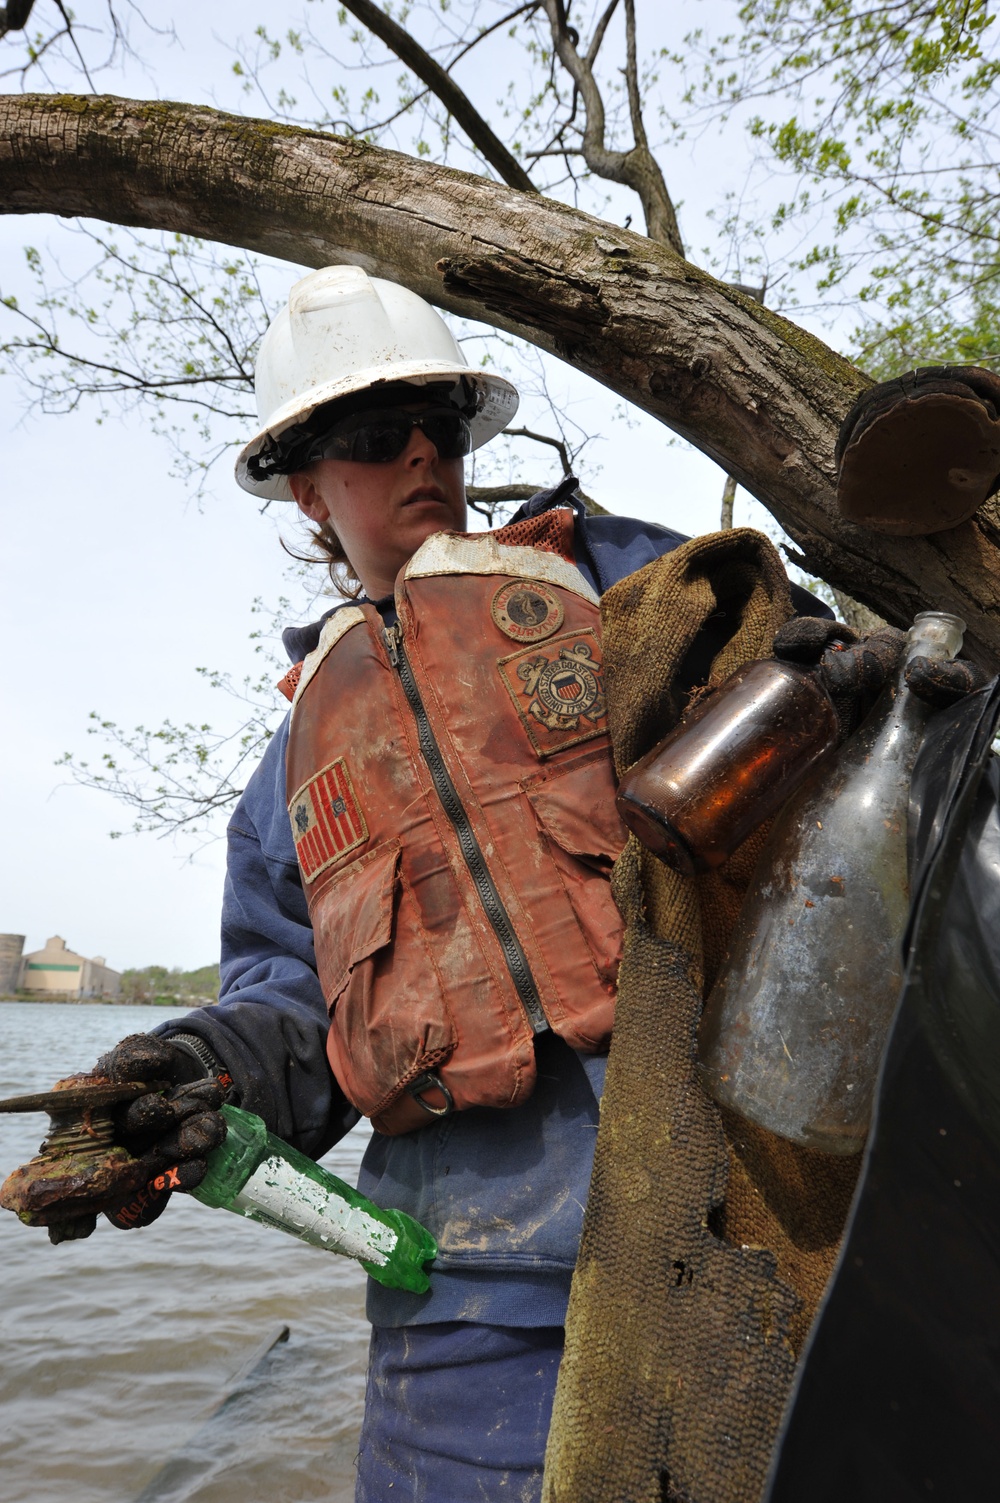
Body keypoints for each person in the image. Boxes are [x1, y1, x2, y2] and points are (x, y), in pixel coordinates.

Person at [36, 268, 992, 1500]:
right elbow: (294, 1009)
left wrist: (819, 670)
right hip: (453, 1302)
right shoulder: (290, 779)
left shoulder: (612, 586)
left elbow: (837, 718)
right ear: (305, 488)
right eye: (380, 436)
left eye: (441, 421)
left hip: (717, 1218)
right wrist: (186, 1074)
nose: (425, 454)